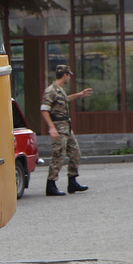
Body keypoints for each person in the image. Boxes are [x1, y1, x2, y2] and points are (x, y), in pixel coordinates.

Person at [41, 63, 91, 195]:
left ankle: (72, 182)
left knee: (75, 153)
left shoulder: (59, 90)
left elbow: (64, 100)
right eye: (69, 76)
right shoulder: (50, 91)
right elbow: (44, 110)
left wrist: (79, 95)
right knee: (58, 156)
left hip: (67, 128)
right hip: (58, 128)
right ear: (65, 75)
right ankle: (51, 185)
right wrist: (51, 128)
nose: (69, 79)